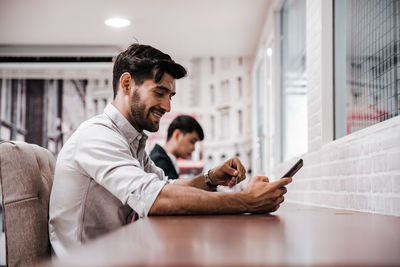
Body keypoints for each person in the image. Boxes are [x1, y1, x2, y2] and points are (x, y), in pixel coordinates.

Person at [49, 43, 292, 257]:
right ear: (126, 84)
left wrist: (210, 178)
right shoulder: (96, 136)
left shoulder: (130, 140)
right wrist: (247, 201)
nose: (167, 106)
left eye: (170, 96)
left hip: (118, 253)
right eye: (159, 92)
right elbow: (155, 199)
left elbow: (164, 187)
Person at [150, 115, 204, 179]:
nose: (194, 148)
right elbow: (173, 188)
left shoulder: (166, 159)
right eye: (192, 141)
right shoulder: (159, 161)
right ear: (177, 135)